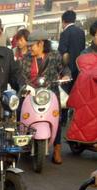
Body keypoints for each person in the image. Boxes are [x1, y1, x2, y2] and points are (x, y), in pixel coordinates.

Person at [21, 29, 70, 164]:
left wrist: (66, 75)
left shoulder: (54, 56)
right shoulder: (26, 58)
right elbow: (21, 76)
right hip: (32, 94)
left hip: (51, 93)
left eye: (32, 45)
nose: (29, 48)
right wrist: (25, 86)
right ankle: (22, 139)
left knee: (57, 119)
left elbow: (64, 69)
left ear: (41, 43)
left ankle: (57, 150)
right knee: (20, 112)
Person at [58, 10, 86, 91]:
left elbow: (61, 52)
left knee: (66, 92)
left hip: (68, 69)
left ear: (63, 21)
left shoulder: (65, 33)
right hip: (79, 67)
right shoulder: (81, 32)